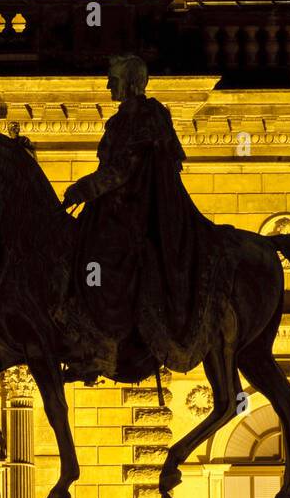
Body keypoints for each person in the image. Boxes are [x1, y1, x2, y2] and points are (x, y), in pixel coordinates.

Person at [61, 54, 217, 374]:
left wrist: (86, 188)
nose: (107, 85)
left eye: (113, 80)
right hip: (115, 204)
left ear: (131, 82)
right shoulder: (119, 119)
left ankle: (108, 345)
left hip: (142, 208)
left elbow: (124, 168)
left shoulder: (149, 116)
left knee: (106, 260)